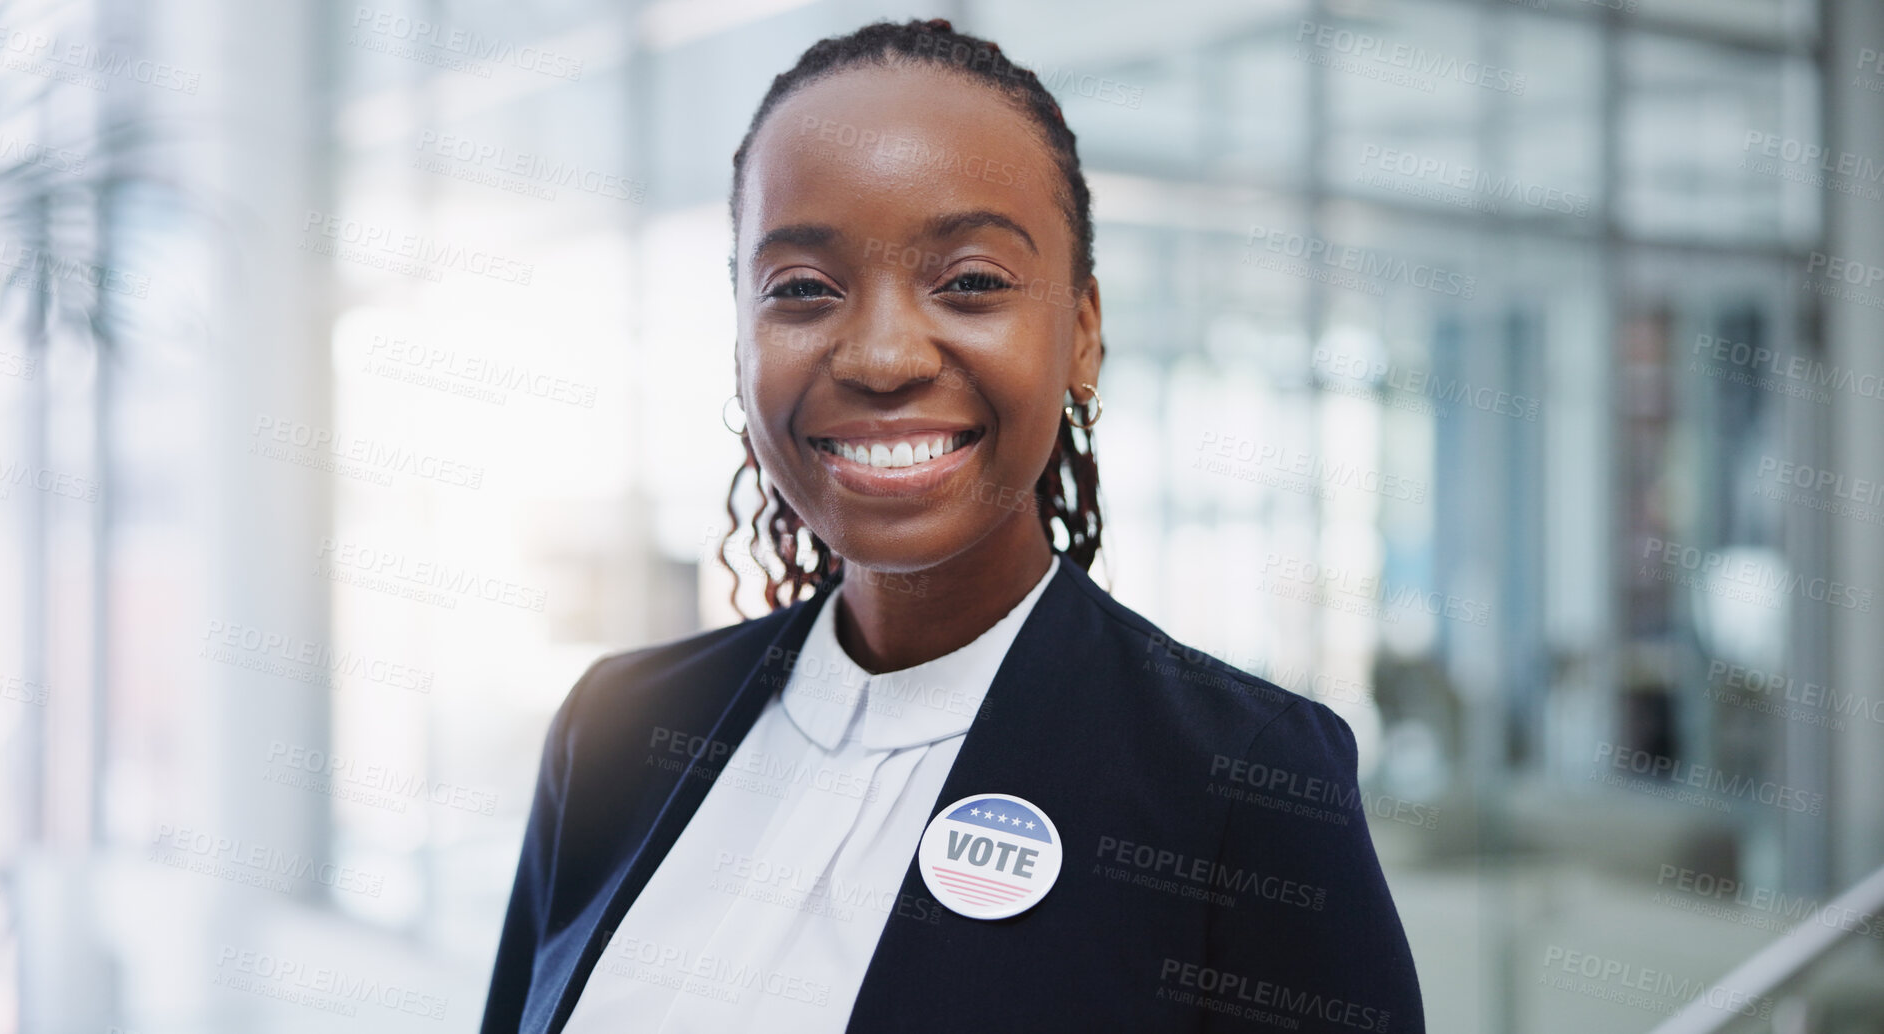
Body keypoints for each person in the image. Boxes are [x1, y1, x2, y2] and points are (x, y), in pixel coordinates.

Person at [481, 18, 1424, 1034]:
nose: (883, 355)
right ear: (742, 336)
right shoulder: (616, 727)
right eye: (801, 289)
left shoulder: (1244, 780)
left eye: (970, 281)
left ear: (1081, 332)